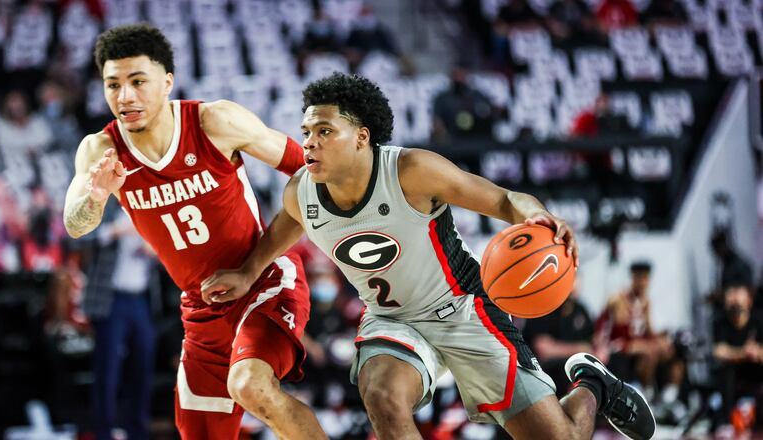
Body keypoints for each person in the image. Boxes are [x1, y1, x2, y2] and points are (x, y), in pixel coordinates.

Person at [201, 72, 655, 440]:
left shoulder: (411, 171)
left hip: (463, 308)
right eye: (306, 132)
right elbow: (287, 223)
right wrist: (247, 272)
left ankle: (592, 384)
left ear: (361, 137)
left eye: (324, 131)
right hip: (391, 319)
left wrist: (538, 215)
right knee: (381, 395)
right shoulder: (302, 191)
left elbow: (501, 199)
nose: (310, 142)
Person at [62, 24, 326, 440]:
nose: (125, 96)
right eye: (113, 85)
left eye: (137, 82)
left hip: (265, 278)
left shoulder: (215, 120)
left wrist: (256, 264)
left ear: (167, 81)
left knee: (250, 385)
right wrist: (95, 196)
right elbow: (76, 224)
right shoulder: (101, 149)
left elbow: (313, 172)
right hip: (203, 306)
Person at [82, 202, 159, 440]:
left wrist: (154, 248)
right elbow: (82, 238)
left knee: (143, 362)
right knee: (108, 367)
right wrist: (117, 230)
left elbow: (165, 250)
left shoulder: (151, 209)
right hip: (112, 299)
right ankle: (103, 430)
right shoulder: (107, 206)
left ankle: (136, 429)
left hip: (139, 299)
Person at [595, 262, 683, 403]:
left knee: (672, 353)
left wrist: (662, 341)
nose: (643, 283)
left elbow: (648, 332)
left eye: (646, 279)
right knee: (650, 353)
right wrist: (651, 345)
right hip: (615, 347)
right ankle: (646, 396)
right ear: (633, 278)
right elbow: (623, 335)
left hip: (633, 346)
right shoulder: (619, 300)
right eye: (640, 278)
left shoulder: (645, 302)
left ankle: (669, 397)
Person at [712, 280, 763, 431]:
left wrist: (757, 352)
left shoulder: (759, 321)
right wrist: (743, 353)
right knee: (726, 371)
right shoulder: (720, 322)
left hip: (756, 373)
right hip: (733, 377)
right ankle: (726, 422)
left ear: (748, 301)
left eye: (739, 303)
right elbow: (719, 351)